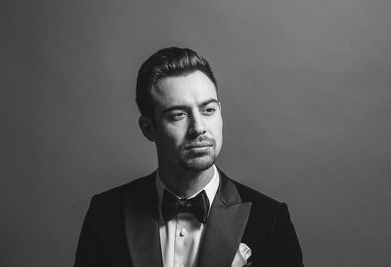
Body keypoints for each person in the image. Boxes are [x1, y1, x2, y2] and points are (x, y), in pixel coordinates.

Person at [74, 47, 304, 267]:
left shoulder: (270, 219)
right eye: (178, 115)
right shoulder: (105, 214)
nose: (198, 128)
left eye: (208, 110)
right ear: (148, 128)